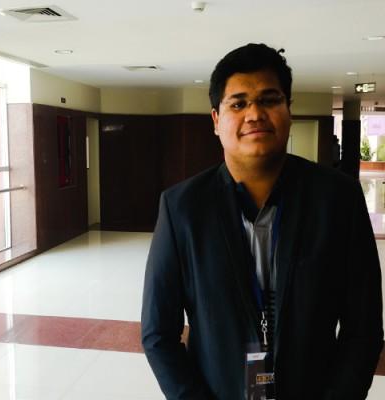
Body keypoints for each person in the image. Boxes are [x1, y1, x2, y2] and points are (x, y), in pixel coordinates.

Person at [141, 43, 383, 400]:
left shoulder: (338, 199)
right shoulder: (182, 209)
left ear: (288, 110)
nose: (254, 113)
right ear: (216, 120)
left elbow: (363, 329)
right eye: (238, 104)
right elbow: (158, 334)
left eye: (270, 100)